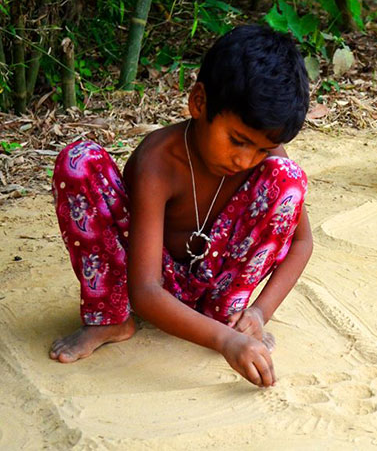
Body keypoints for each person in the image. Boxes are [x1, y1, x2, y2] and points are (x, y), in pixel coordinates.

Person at [49, 25, 312, 388]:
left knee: (288, 177)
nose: (245, 159)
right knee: (78, 161)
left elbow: (302, 243)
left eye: (261, 149)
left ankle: (229, 315)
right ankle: (110, 317)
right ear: (199, 102)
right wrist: (226, 342)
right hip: (146, 279)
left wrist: (259, 312)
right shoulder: (158, 162)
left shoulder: (266, 161)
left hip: (217, 287)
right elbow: (145, 291)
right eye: (237, 140)